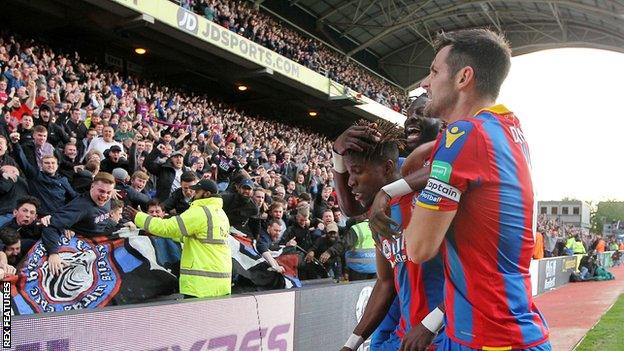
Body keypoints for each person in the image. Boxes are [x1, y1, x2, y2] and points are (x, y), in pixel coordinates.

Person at [400, 29, 550, 350]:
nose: (425, 83)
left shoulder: (464, 135)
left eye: (434, 71)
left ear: (463, 77)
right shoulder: (508, 128)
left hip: (489, 338)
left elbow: (418, 248)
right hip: (498, 325)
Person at [333, 121, 444, 351]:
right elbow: (385, 283)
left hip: (444, 334)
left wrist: (431, 324)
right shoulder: (377, 214)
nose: (350, 181)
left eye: (356, 172)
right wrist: (351, 344)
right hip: (407, 335)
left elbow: (450, 166)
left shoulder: (429, 197)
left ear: (387, 168)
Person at [125, 179, 232, 298]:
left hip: (201, 283)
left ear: (206, 194)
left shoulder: (200, 212)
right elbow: (189, 236)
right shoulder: (220, 214)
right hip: (220, 280)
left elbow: (168, 228)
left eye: (197, 191)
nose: (193, 194)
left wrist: (139, 217)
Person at [41, 172, 117, 275]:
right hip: (84, 246)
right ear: (92, 186)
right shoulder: (81, 206)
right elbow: (51, 226)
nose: (104, 196)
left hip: (103, 237)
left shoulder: (107, 197)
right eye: (101, 191)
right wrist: (53, 253)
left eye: (108, 192)